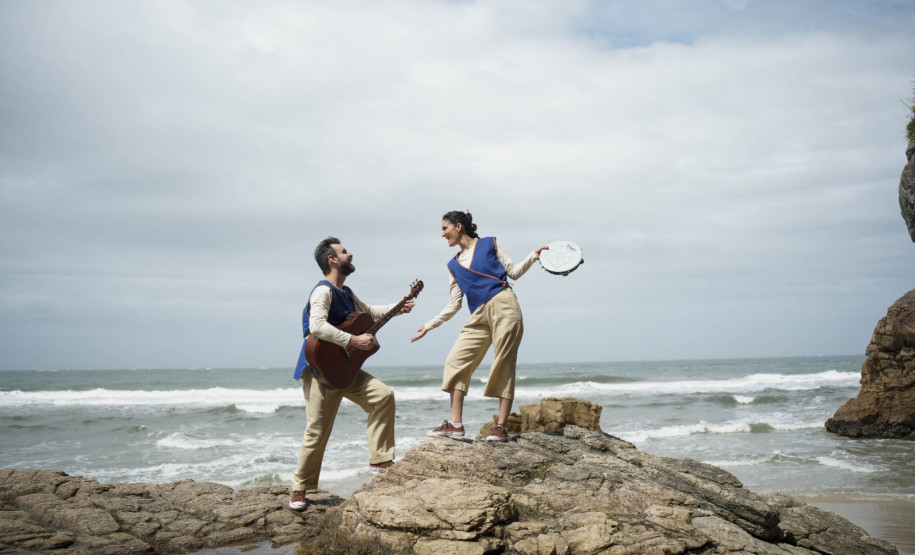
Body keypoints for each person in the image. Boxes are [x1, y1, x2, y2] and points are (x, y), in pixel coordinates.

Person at [288, 236, 414, 511]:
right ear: (332, 260)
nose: (351, 254)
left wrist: (398, 307)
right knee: (316, 431)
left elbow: (368, 312)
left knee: (383, 396)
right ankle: (300, 488)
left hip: (346, 368)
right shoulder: (323, 292)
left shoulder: (345, 292)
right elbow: (317, 326)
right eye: (344, 252)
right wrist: (353, 341)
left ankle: (380, 460)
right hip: (320, 370)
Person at [411, 211, 547, 442]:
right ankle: (455, 424)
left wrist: (533, 256)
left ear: (459, 226)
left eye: (445, 228)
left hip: (504, 303)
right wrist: (429, 325)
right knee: (455, 361)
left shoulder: (488, 244)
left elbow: (513, 271)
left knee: (503, 361)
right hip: (478, 314)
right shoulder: (453, 265)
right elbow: (454, 304)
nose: (442, 234)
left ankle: (501, 427)